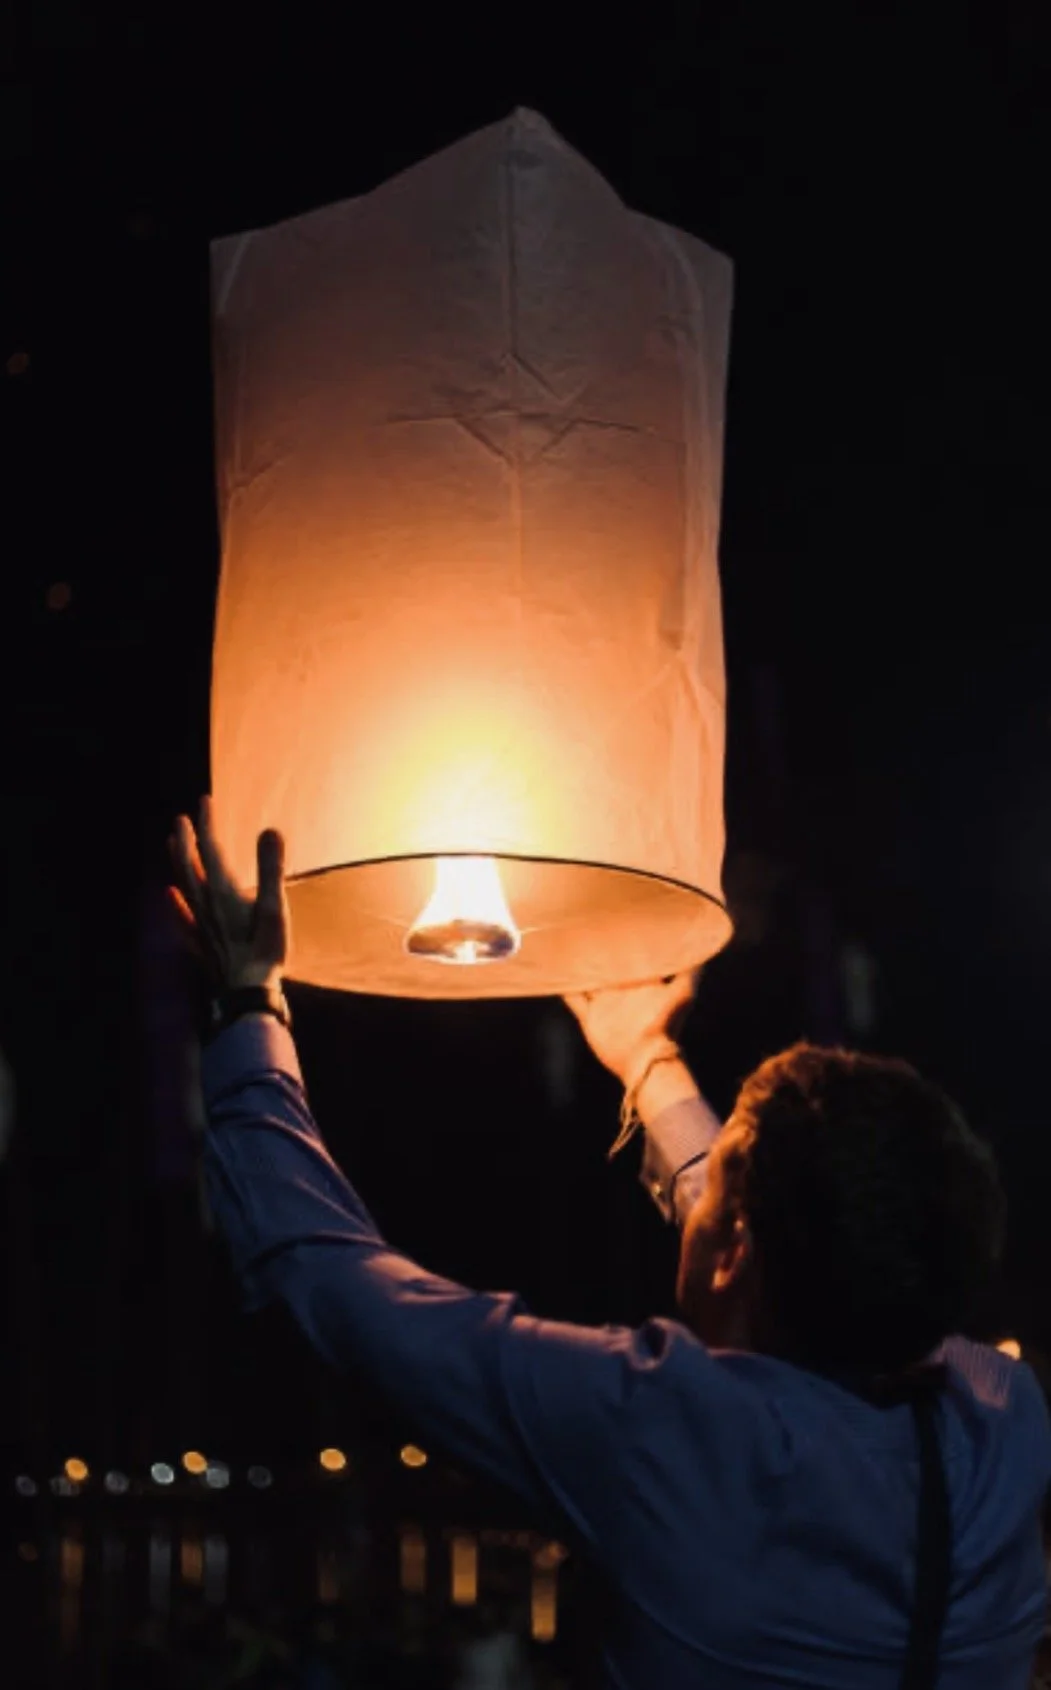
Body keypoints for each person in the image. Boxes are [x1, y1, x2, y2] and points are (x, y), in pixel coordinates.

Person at [170, 800, 1051, 1690]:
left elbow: (333, 1282)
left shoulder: (662, 1432)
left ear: (735, 1250)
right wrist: (646, 1060)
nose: (698, 1197)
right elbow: (792, 1235)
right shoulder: (1000, 1411)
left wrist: (247, 1000)